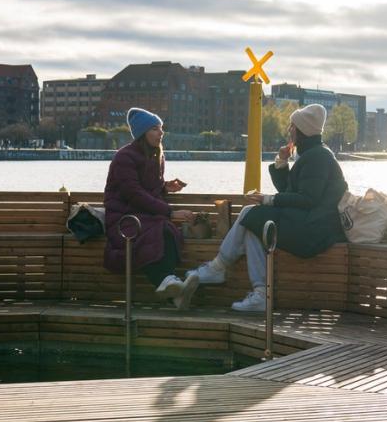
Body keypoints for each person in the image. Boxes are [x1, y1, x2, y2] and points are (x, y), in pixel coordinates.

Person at [189, 103, 348, 311]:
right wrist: (282, 162)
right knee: (254, 226)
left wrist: (268, 200)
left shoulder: (317, 157)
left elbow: (308, 200)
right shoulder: (312, 153)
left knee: (250, 214)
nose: (289, 130)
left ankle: (219, 267)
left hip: (315, 230)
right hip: (308, 223)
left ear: (302, 130)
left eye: (292, 126)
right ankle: (260, 294)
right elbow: (291, 193)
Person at [103, 107, 199, 308]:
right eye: (155, 128)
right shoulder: (124, 157)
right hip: (123, 218)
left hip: (144, 214)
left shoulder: (156, 156)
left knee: (168, 230)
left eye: (161, 128)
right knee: (158, 230)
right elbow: (134, 194)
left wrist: (165, 186)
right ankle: (168, 282)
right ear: (142, 133)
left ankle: (173, 289)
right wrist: (171, 212)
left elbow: (148, 189)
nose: (161, 133)